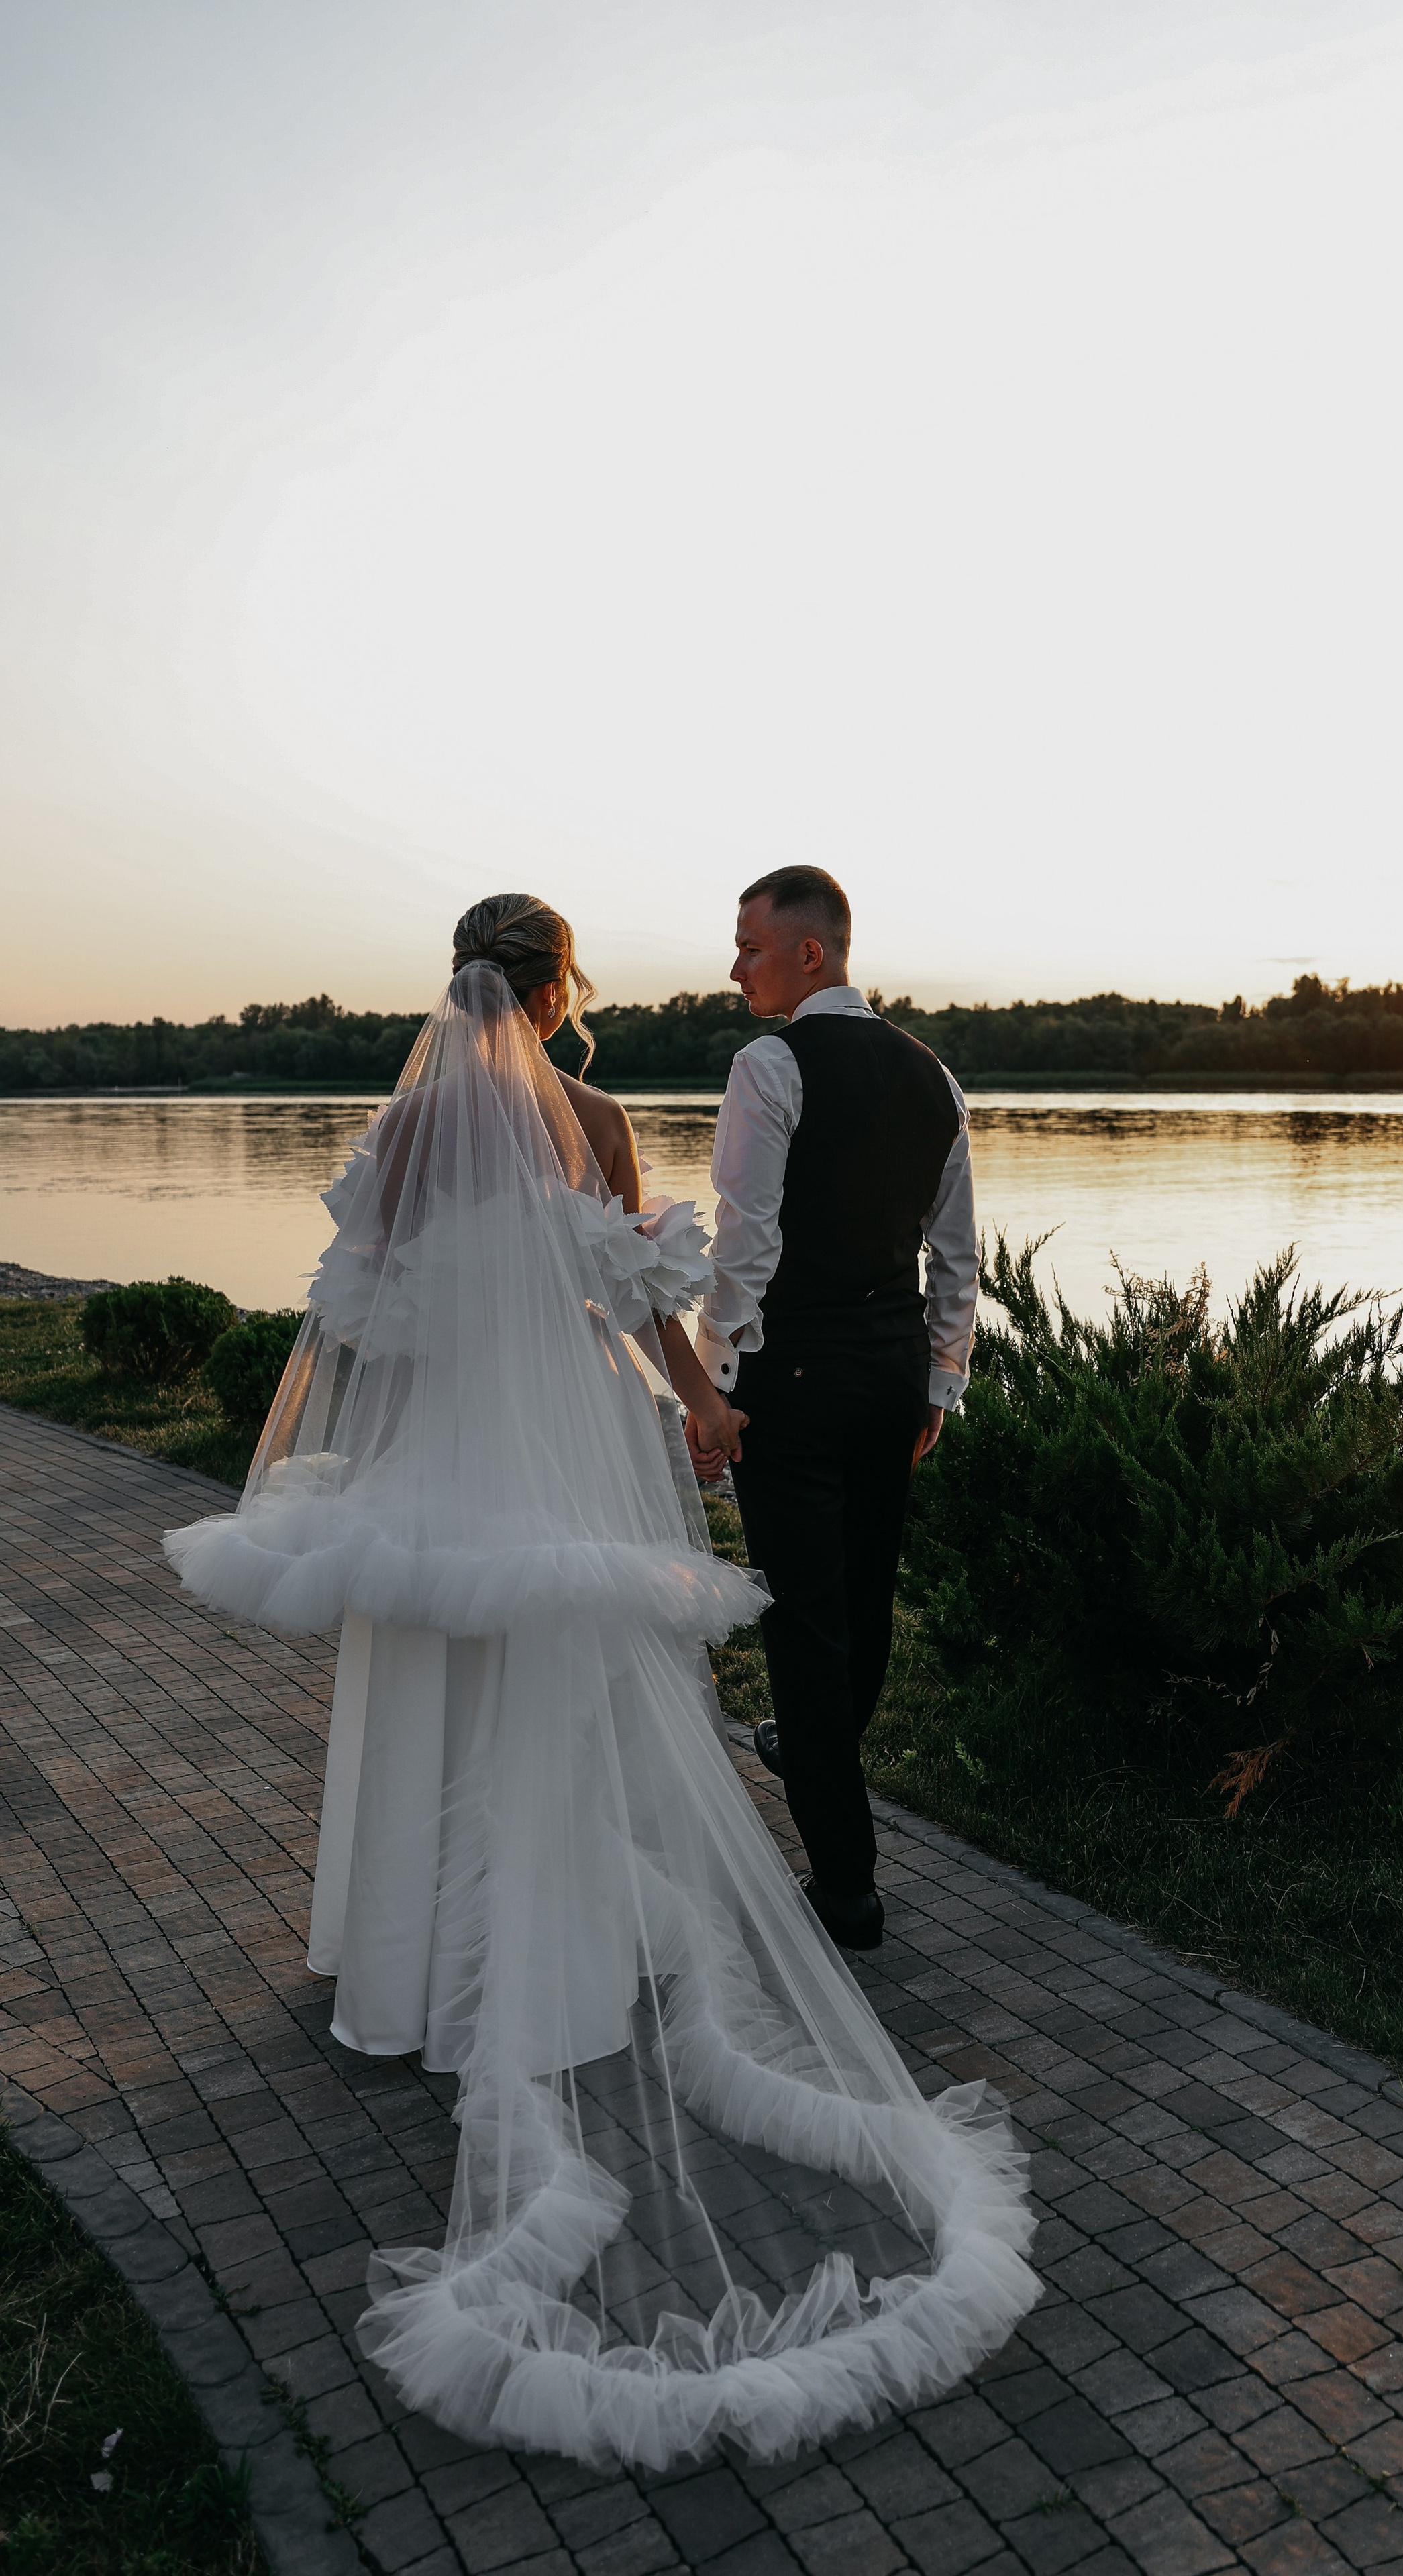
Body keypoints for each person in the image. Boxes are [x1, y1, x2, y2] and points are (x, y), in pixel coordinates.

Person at [162, 894, 1035, 2470]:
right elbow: (636, 1303)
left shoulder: (410, 1123)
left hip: (439, 1457)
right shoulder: (600, 1116)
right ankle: (544, 1964)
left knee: (432, 1690)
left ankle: (400, 1971)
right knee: (552, 1710)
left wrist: (407, 1446)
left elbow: (354, 1309)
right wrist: (709, 1409)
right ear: (557, 988)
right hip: (558, 1456)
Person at [692, 867, 978, 1952]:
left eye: (749, 947)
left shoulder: (770, 1064)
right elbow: (957, 1257)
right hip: (891, 1375)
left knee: (812, 1626)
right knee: (859, 1606)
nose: (734, 968)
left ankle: (847, 1885)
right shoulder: (935, 1076)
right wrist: (938, 1384)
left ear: (811, 954)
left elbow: (747, 1239)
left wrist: (716, 1382)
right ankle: (808, 1750)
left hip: (797, 1379)